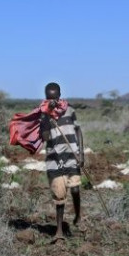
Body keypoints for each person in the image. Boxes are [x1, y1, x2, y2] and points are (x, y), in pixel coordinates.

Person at [39, 82, 85, 241]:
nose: (53, 101)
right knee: (59, 196)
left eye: (55, 98)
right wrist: (47, 114)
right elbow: (45, 137)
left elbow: (78, 132)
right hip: (54, 159)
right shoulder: (44, 114)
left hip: (72, 156)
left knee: (75, 190)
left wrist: (82, 154)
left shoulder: (70, 110)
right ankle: (59, 231)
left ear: (59, 96)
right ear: (46, 98)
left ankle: (78, 216)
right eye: (49, 98)